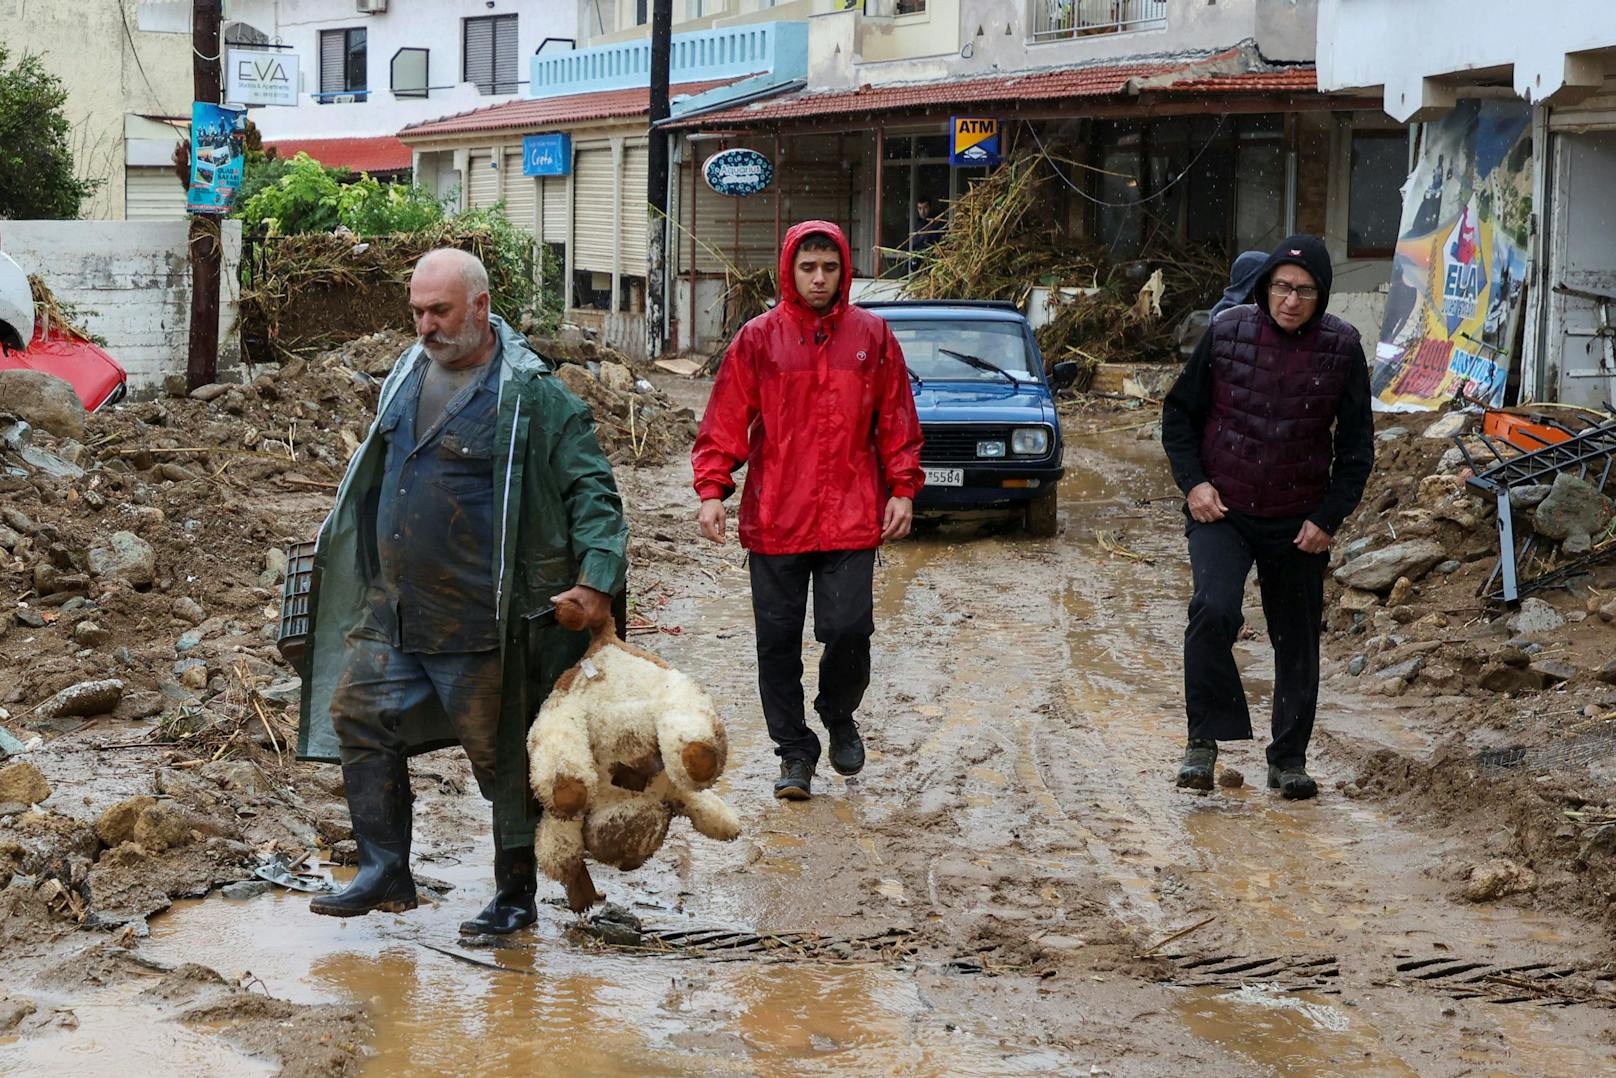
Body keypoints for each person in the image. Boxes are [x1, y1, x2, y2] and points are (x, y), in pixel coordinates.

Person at [295, 248, 628, 932]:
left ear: (478, 307)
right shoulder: (407, 375)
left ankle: (516, 899)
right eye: (416, 311)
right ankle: (385, 871)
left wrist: (597, 582)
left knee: (505, 762)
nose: (424, 326)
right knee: (357, 713)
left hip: (482, 619)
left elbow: (594, 492)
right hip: (395, 608)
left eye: (438, 311)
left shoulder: (532, 395)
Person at [692, 221, 924, 801]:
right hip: (776, 516)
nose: (819, 279)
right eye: (807, 268)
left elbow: (895, 419)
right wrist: (712, 490)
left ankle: (838, 711)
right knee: (777, 643)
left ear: (843, 271)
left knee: (848, 629)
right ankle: (795, 752)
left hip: (850, 513)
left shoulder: (872, 337)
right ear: (789, 272)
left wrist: (903, 488)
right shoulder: (758, 339)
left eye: (829, 268)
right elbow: (726, 419)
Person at [1160, 235, 1375, 800]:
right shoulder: (1227, 332)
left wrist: (1328, 518)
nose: (1291, 300)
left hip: (1298, 519)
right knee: (1213, 609)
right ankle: (1203, 743)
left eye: (1305, 290)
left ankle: (1288, 760)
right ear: (1265, 287)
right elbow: (1180, 415)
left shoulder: (1343, 348)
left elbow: (1356, 450)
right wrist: (1195, 485)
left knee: (1297, 638)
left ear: (1321, 295)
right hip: (1222, 508)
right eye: (1282, 286)